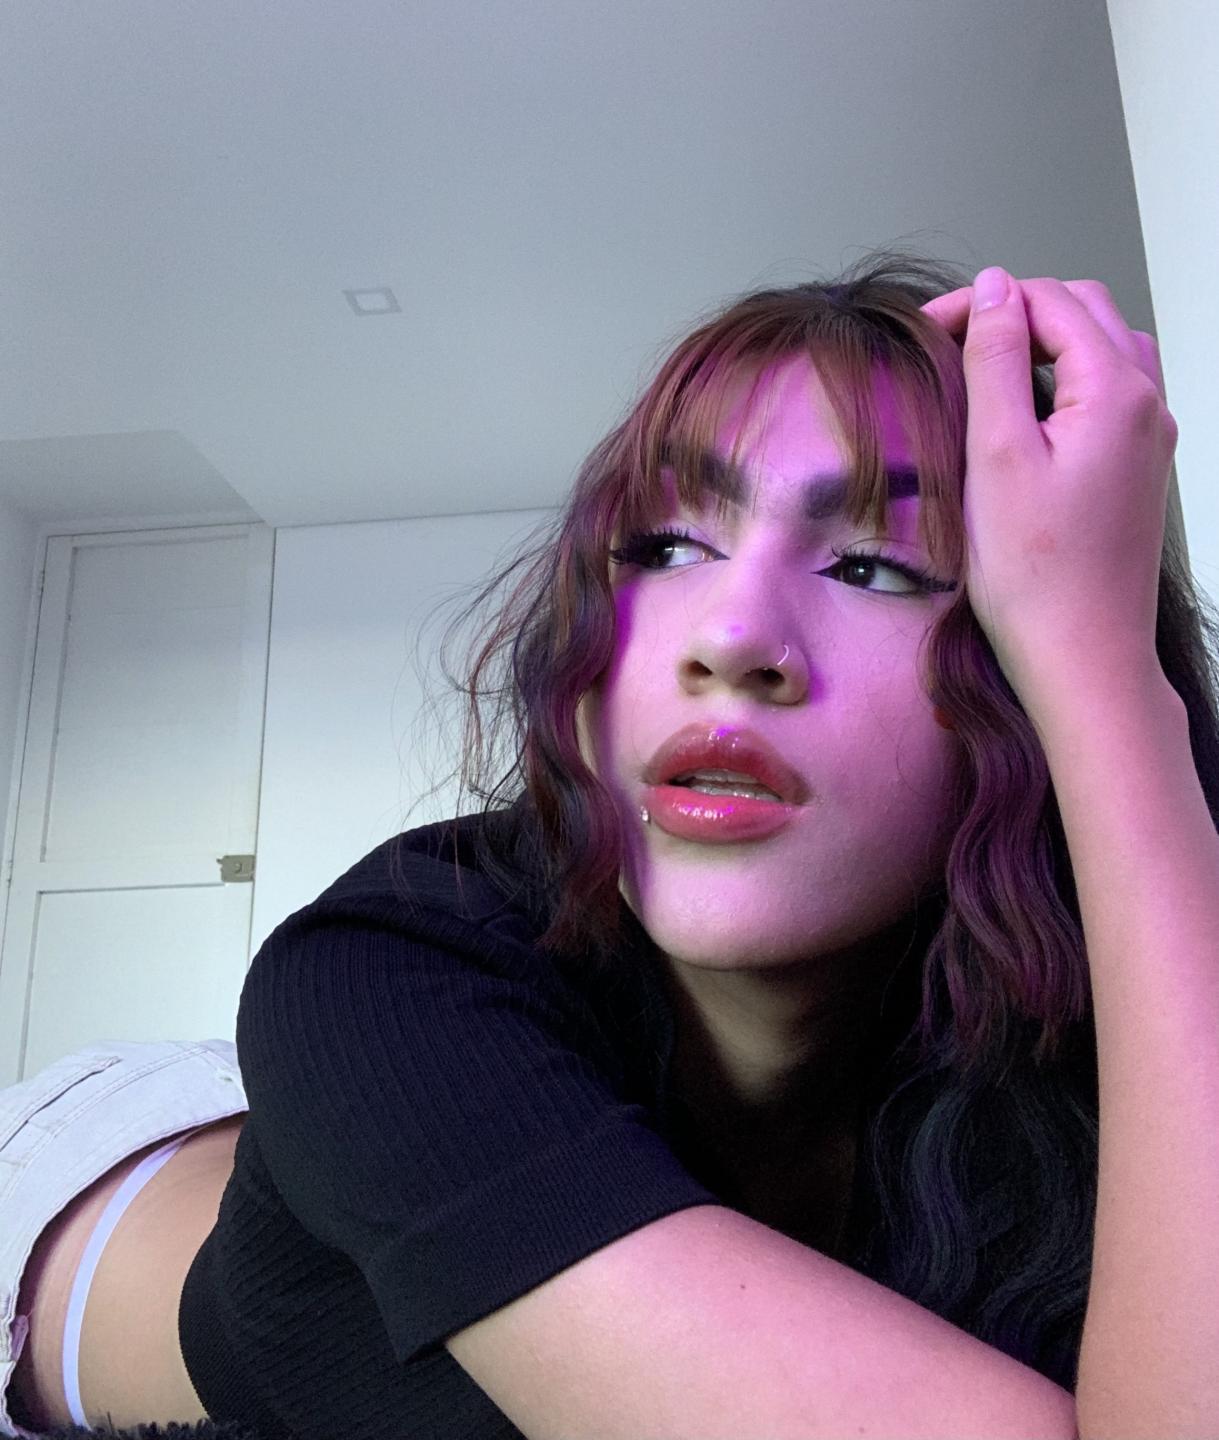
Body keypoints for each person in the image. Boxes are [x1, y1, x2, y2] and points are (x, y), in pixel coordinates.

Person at [1, 247, 1211, 1440]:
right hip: (66, 1199)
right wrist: (1106, 685)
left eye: (873, 565)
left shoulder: (1064, 1027)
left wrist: (1102, 678)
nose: (730, 638)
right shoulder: (387, 974)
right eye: (666, 548)